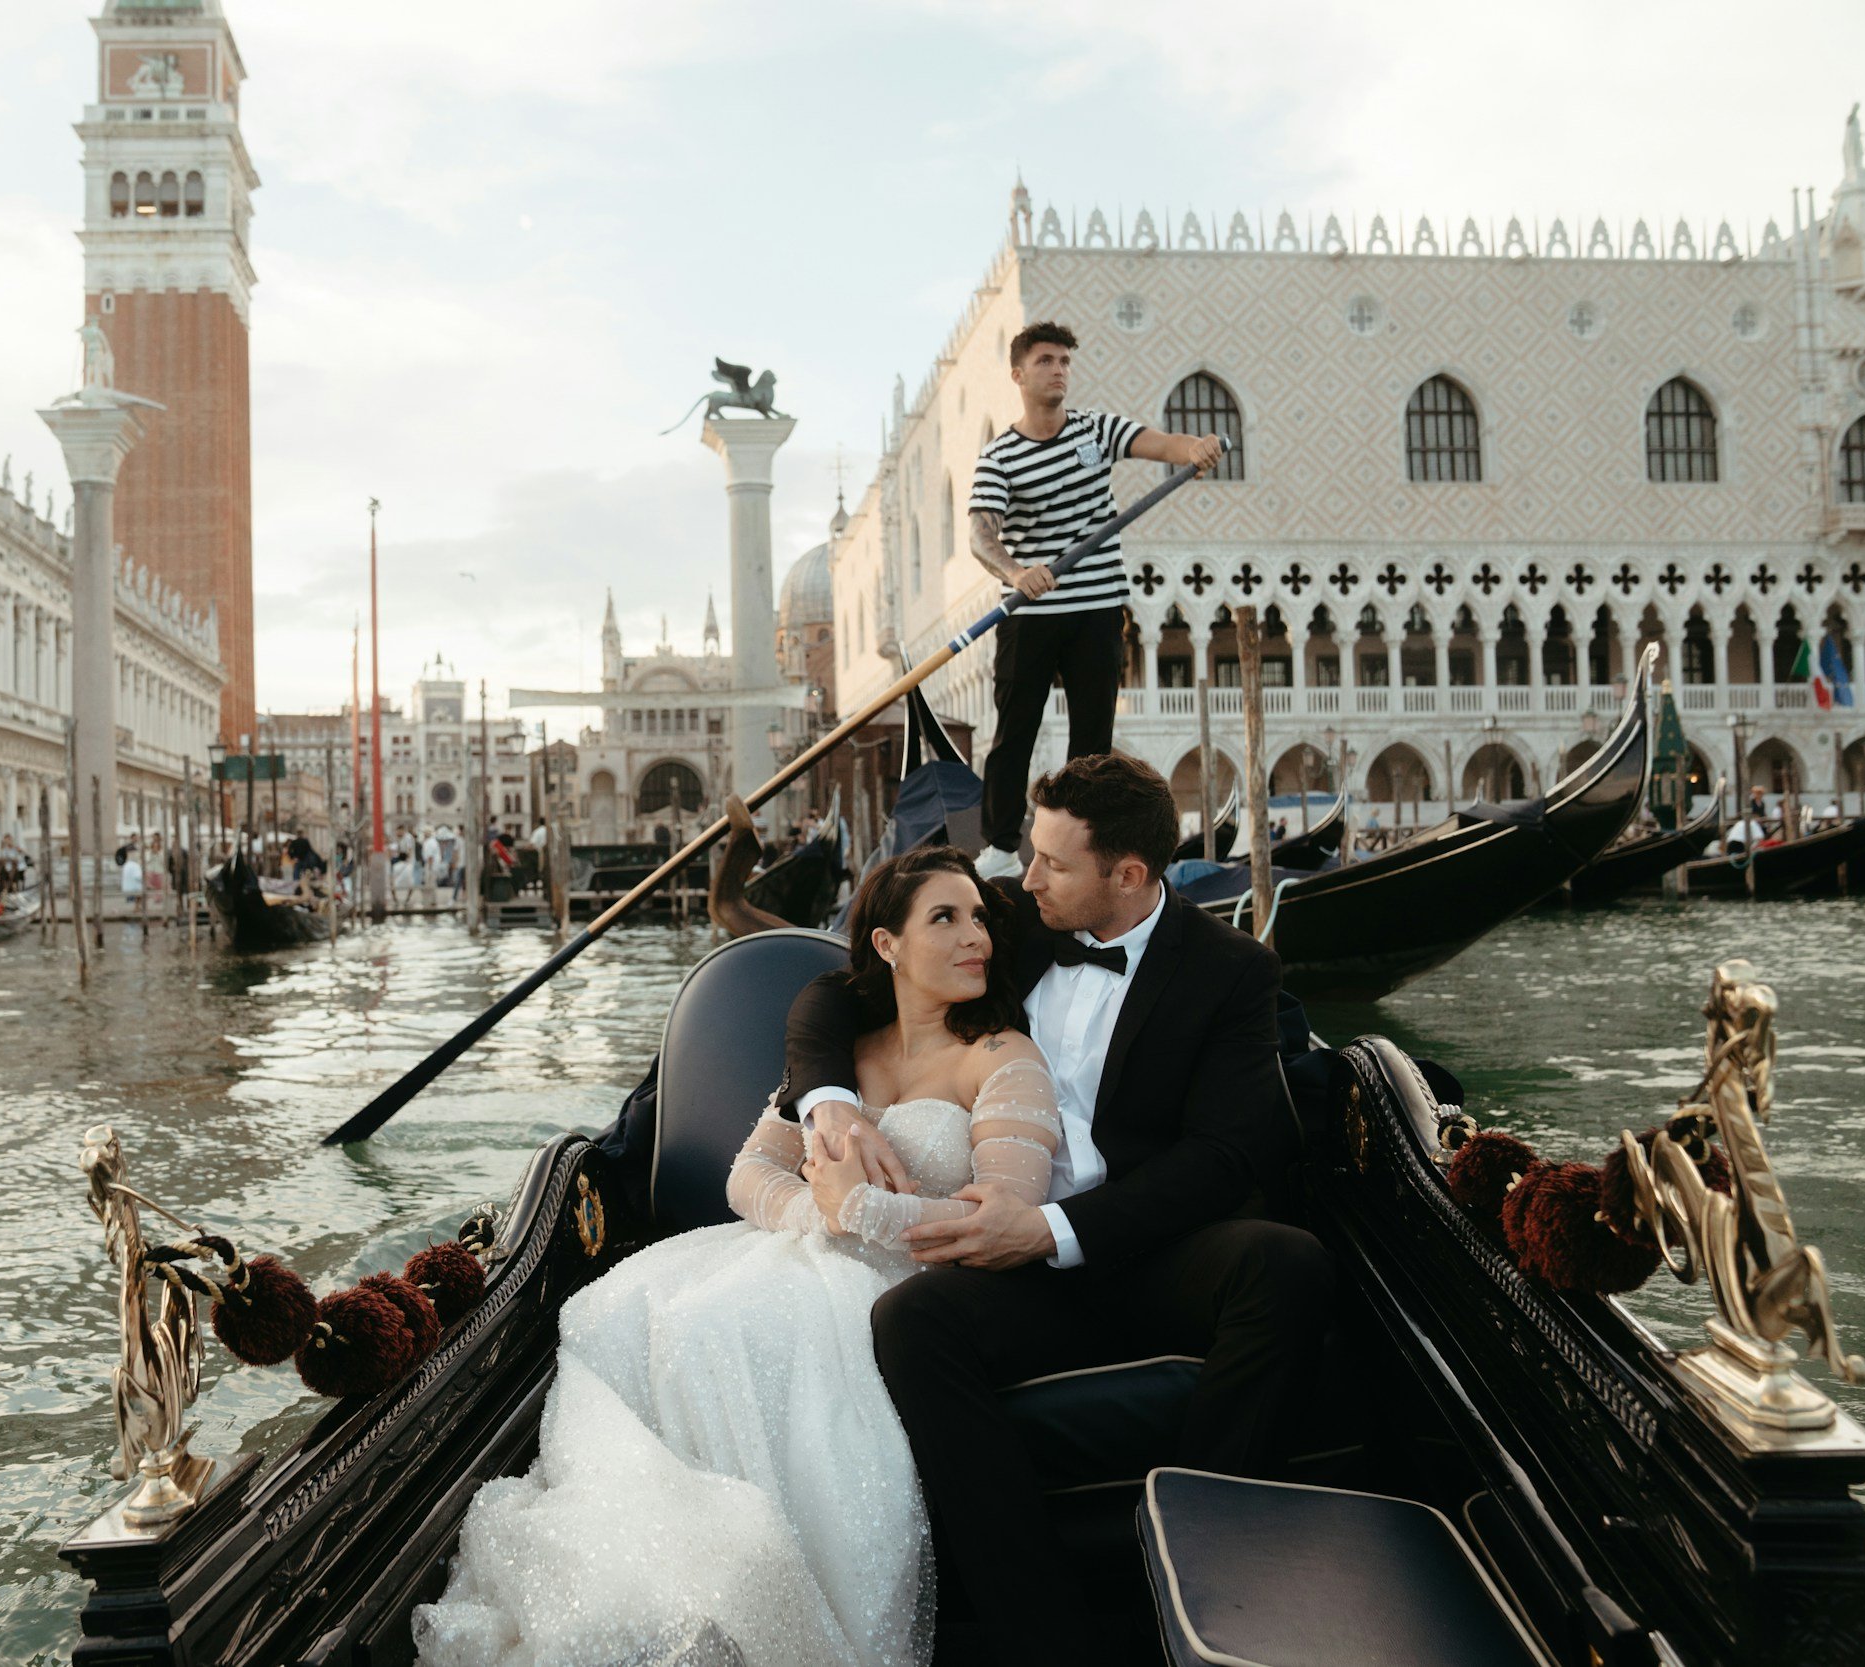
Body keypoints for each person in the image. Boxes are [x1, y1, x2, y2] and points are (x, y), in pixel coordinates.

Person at [415, 847, 1059, 1667]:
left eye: (979, 918)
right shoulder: (844, 1052)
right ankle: (667, 1584)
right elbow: (748, 1172)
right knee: (636, 1314)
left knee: (732, 1333)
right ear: (889, 944)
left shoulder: (1004, 1058)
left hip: (911, 1289)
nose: (976, 936)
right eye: (947, 917)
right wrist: (815, 1215)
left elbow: (999, 1217)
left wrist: (859, 1209)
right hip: (798, 1252)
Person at [781, 752, 1329, 1660]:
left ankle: (1208, 1575)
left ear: (1128, 875)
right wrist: (826, 1100)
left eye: (1051, 862)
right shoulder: (1017, 921)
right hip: (1018, 1259)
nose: (1023, 878)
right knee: (911, 1318)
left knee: (1287, 1264)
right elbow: (825, 994)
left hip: (1146, 1245)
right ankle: (1044, 1639)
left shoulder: (1232, 972)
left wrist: (1050, 1228)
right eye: (1027, 854)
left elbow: (1229, 1154)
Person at [969, 321, 1224, 879]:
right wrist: (1015, 572)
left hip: (1096, 609)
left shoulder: (1096, 430)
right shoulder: (1000, 457)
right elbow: (981, 535)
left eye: (1064, 360)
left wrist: (1195, 449)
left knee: (1092, 743)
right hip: (1033, 610)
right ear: (1018, 374)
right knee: (1014, 735)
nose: (1058, 369)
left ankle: (1076, 844)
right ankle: (1001, 849)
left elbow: (1161, 444)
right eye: (1045, 361)